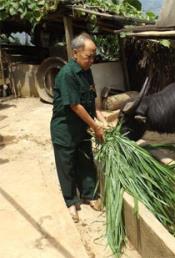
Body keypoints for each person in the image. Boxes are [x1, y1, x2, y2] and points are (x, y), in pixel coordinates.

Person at [50, 32, 105, 222]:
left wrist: (100, 118)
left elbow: (92, 98)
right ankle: (71, 202)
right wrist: (96, 127)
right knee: (67, 166)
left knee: (86, 160)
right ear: (75, 53)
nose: (91, 60)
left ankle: (90, 195)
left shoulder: (87, 70)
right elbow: (75, 105)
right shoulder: (67, 74)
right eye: (88, 56)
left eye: (93, 56)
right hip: (65, 128)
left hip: (82, 127)